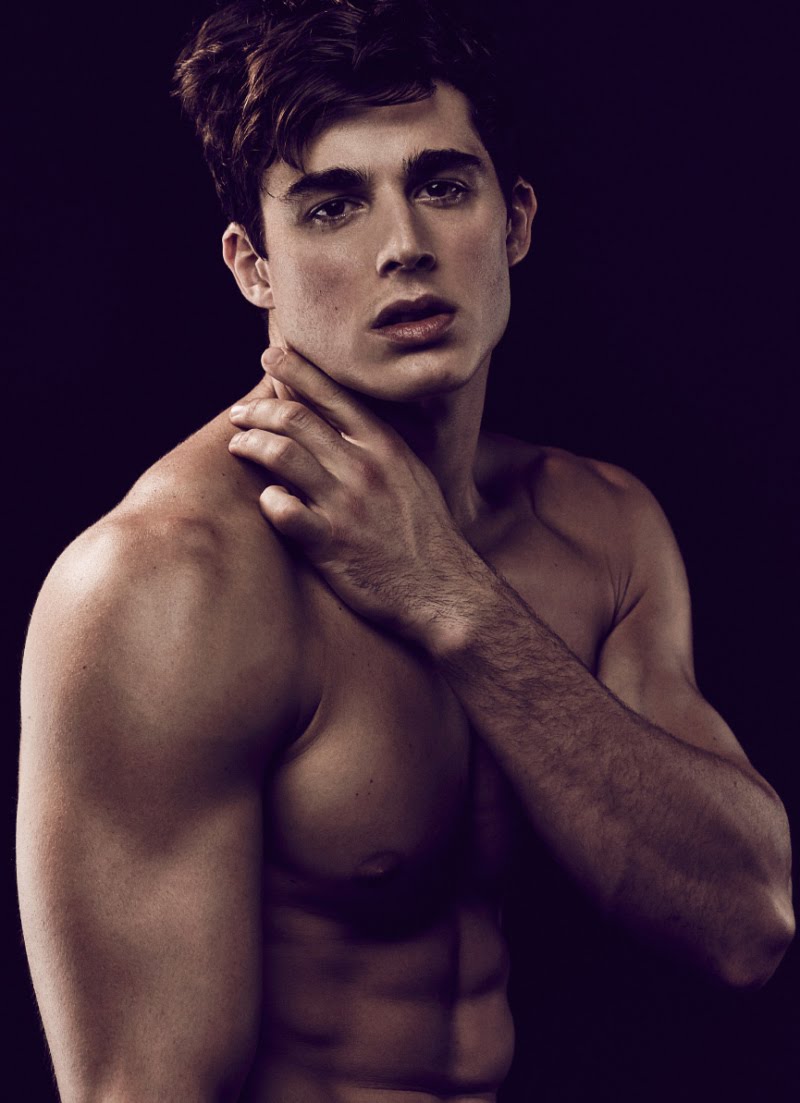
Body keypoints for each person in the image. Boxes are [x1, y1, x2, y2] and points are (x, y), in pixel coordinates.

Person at [16, 1, 794, 1100]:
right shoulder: (165, 583)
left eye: (442, 185)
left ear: (514, 221)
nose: (404, 247)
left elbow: (747, 918)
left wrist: (452, 596)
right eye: (332, 205)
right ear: (252, 266)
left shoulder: (598, 527)